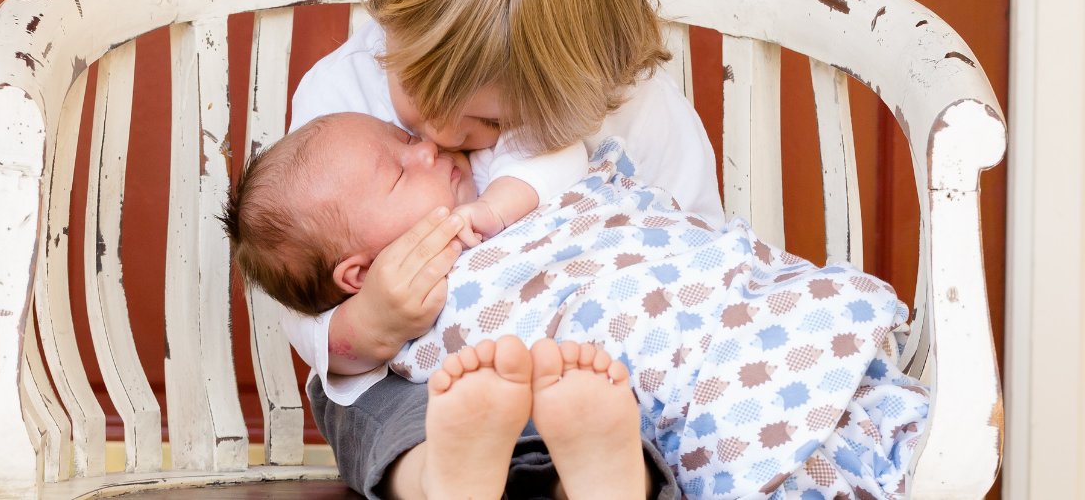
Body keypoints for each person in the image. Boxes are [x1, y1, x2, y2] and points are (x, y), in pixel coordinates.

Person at [236, 0, 724, 498]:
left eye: (492, 121)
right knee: (370, 409)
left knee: (631, 411)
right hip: (434, 381)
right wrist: (374, 318)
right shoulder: (340, 98)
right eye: (417, 90)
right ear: (390, 17)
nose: (437, 134)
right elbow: (305, 296)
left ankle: (599, 478)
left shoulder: (633, 108)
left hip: (598, 365)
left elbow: (698, 247)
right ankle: (443, 478)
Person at [225, 114, 927, 500]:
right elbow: (330, 341)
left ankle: (589, 475)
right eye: (398, 168)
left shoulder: (508, 167)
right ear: (358, 271)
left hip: (685, 314)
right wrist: (374, 323)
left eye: (407, 139)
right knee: (369, 394)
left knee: (606, 373)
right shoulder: (334, 119)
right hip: (535, 383)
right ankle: (477, 477)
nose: (431, 149)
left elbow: (584, 182)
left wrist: (501, 209)